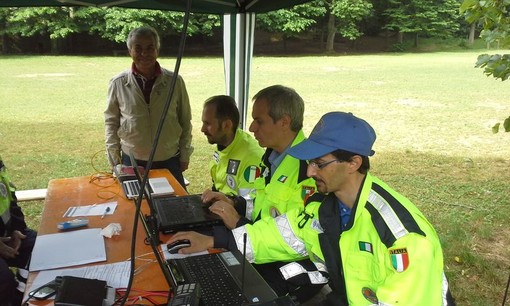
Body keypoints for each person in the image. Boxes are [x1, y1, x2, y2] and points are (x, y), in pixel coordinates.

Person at [179, 111, 456, 305]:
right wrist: (214, 240)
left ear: (353, 163)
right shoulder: (324, 207)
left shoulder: (401, 238)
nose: (309, 171)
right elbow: (279, 235)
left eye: (319, 163)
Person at [170, 85, 326, 303]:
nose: (251, 127)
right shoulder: (273, 157)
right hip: (259, 248)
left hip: (294, 270)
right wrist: (236, 204)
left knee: (216, 288)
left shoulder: (310, 172)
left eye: (259, 121)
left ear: (284, 122)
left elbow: (292, 240)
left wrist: (235, 226)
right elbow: (265, 204)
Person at [104, 26, 193, 189]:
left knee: (175, 207)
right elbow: (111, 123)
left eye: (150, 48)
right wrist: (115, 160)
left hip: (169, 159)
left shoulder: (175, 81)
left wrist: (185, 154)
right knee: (134, 207)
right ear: (130, 51)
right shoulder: (118, 83)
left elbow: (185, 120)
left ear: (157, 50)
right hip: (132, 160)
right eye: (138, 48)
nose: (144, 53)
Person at [200, 95, 264, 198]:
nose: (202, 129)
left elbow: (249, 207)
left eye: (207, 124)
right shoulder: (223, 144)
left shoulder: (251, 159)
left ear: (227, 125)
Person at [0, 157, 37, 306]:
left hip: (7, 234)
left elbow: (9, 197)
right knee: (3, 280)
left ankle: (23, 295)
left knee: (42, 247)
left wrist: (17, 229)